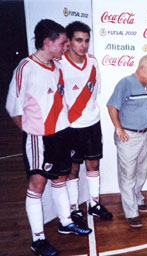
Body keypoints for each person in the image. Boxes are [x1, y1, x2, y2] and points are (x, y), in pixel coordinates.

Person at [5, 19, 91, 256]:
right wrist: (33, 131)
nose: (66, 47)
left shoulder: (57, 66)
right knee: (37, 183)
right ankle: (38, 239)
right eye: (63, 42)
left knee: (61, 178)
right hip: (39, 138)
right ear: (47, 42)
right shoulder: (26, 67)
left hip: (61, 135)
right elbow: (13, 107)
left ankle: (65, 222)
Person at [59, 21, 112, 226]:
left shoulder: (93, 61)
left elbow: (95, 90)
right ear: (69, 41)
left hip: (92, 123)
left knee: (93, 164)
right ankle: (73, 208)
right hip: (70, 126)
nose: (83, 45)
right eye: (79, 40)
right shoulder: (59, 64)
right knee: (72, 169)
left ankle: (94, 203)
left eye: (86, 40)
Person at [107, 55, 147, 228]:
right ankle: (131, 212)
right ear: (142, 68)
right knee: (128, 175)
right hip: (128, 137)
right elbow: (111, 106)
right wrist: (118, 128)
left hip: (144, 135)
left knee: (142, 170)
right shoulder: (125, 83)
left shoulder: (146, 87)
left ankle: (136, 198)